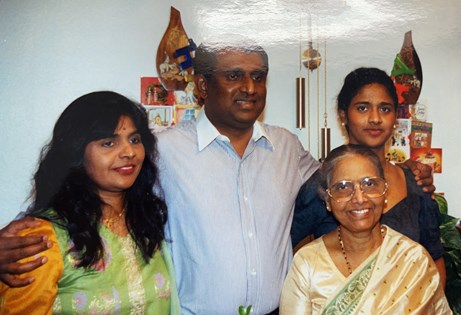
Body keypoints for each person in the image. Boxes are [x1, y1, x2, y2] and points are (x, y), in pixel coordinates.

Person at [0, 44, 434, 314]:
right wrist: (14, 235)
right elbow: (87, 194)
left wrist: (406, 174)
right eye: (233, 75)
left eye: (258, 76)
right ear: (202, 86)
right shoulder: (161, 149)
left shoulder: (287, 147)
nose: (249, 86)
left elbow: (344, 179)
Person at [0, 91, 179, 314]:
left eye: (134, 140)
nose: (129, 152)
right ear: (76, 153)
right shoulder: (42, 238)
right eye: (108, 143)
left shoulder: (147, 222)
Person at [291, 67, 446, 286]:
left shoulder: (415, 183)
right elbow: (290, 252)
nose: (375, 119)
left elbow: (434, 262)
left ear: (395, 117)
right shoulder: (322, 184)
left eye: (385, 109)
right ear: (343, 115)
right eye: (363, 108)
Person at [280, 144, 451, 314]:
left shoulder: (414, 259)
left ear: (385, 192)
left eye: (369, 184)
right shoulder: (308, 263)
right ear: (327, 200)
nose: (359, 198)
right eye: (343, 187)